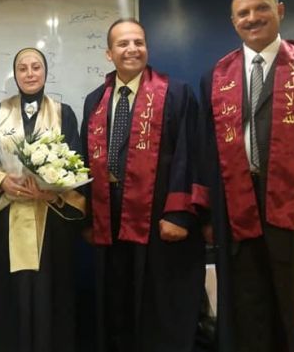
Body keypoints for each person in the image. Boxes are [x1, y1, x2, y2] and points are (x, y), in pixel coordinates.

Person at [196, 0, 294, 352]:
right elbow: (207, 149)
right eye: (243, 13)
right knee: (248, 304)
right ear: (233, 21)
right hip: (237, 205)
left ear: (280, 11)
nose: (252, 18)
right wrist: (208, 212)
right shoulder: (216, 76)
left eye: (261, 8)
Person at [81, 18, 205, 352]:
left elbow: (190, 155)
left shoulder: (175, 93)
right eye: (123, 43)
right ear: (109, 53)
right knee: (117, 301)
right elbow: (86, 163)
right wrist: (91, 218)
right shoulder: (95, 101)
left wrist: (179, 214)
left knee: (156, 304)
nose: (132, 49)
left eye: (138, 42)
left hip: (158, 215)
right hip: (110, 217)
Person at [0, 47, 85, 352]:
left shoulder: (64, 114)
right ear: (15, 75)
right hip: (8, 221)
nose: (30, 73)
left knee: (51, 292)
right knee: (13, 295)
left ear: (45, 72)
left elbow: (77, 161)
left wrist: (51, 189)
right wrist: (2, 180)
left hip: (52, 224)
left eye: (36, 67)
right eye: (22, 68)